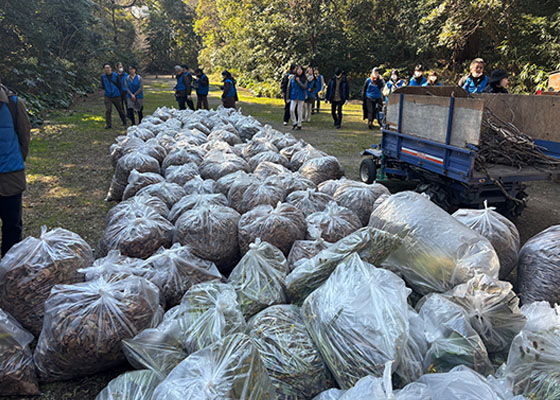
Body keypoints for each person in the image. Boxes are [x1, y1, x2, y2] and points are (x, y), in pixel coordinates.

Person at [0, 80, 31, 256]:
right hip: (11, 173)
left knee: (12, 225)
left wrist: (17, 159)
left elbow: (24, 135)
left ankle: (9, 268)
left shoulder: (13, 104)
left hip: (10, 176)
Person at [101, 63, 127, 129]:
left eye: (108, 67)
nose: (107, 69)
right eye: (106, 68)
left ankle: (124, 121)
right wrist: (107, 90)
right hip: (108, 95)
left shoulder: (115, 75)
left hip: (116, 95)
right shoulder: (103, 77)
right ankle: (108, 124)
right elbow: (103, 86)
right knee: (108, 110)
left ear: (111, 68)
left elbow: (120, 85)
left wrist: (119, 93)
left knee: (120, 109)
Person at [287, 65, 307, 130]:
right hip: (293, 95)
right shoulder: (292, 78)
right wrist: (287, 97)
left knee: (299, 110)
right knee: (291, 109)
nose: (299, 71)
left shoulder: (304, 78)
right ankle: (294, 122)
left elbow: (304, 87)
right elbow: (289, 88)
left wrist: (298, 81)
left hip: (301, 96)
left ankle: (299, 124)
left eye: (300, 70)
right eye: (298, 69)